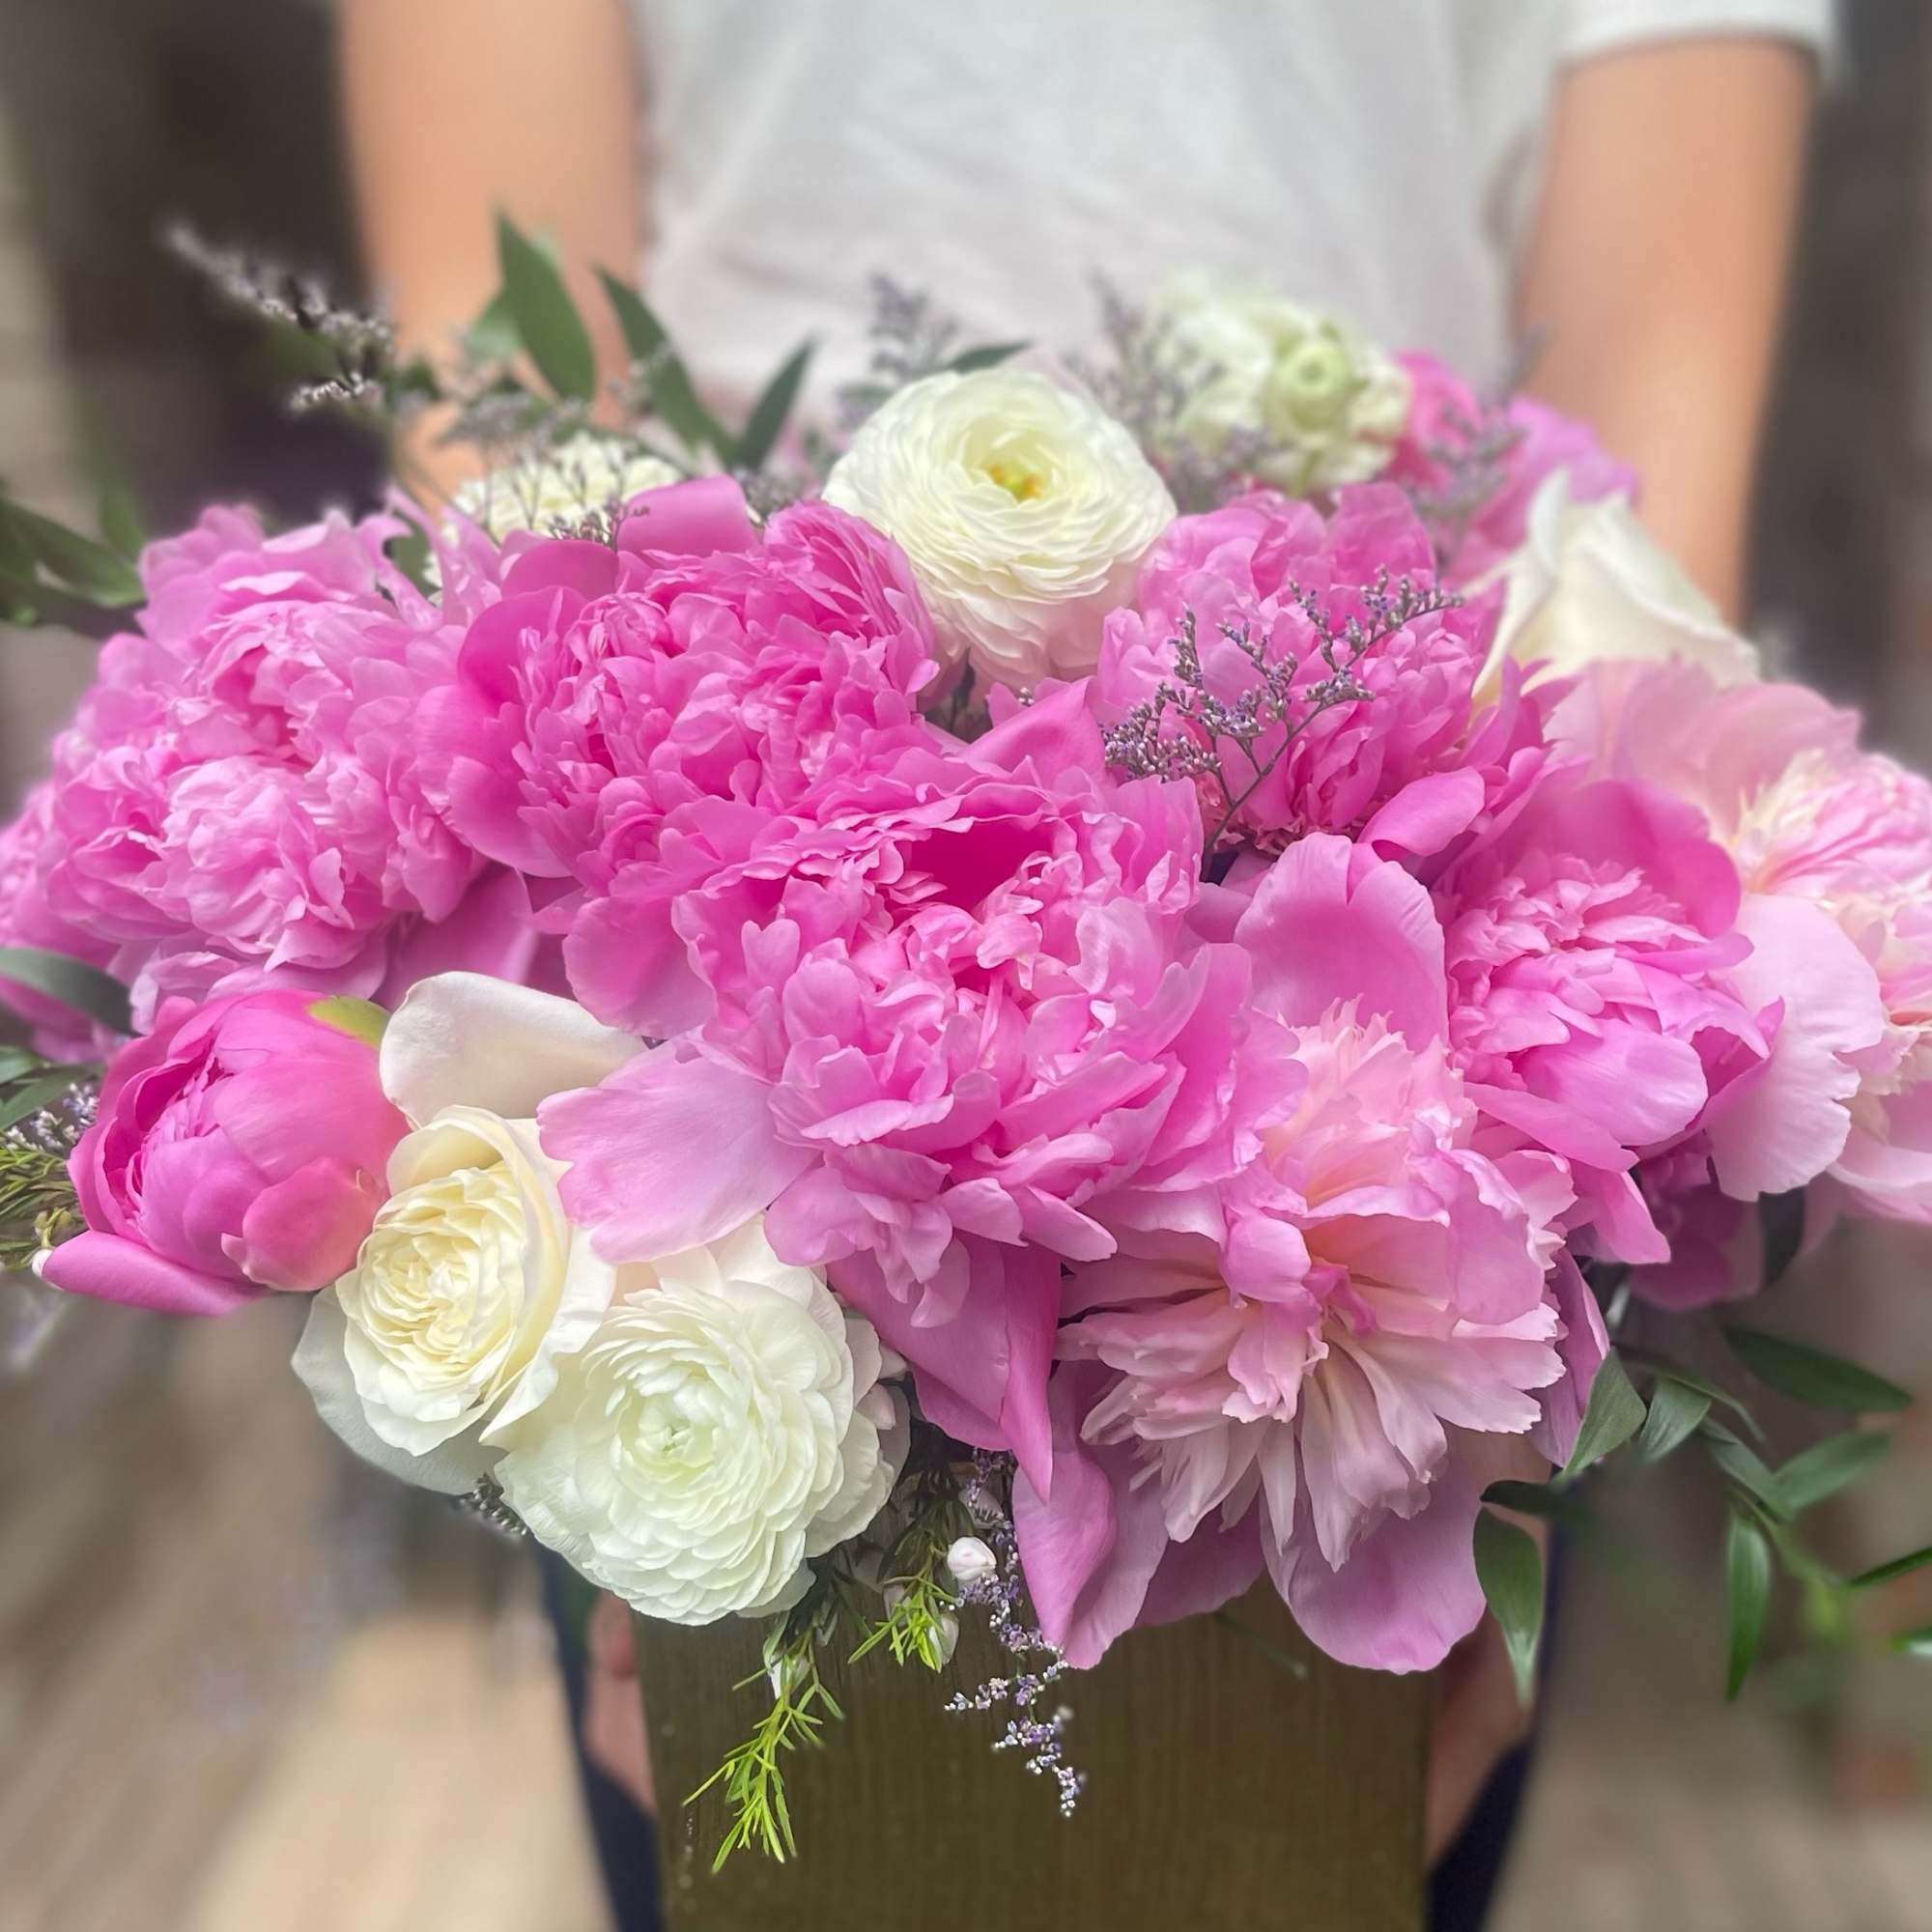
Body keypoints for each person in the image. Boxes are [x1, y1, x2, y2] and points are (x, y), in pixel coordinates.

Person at [337, 3, 1830, 1924]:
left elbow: (1641, 522)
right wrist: (615, 1408)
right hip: (688, 1030)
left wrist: (1508, 1369)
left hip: (1403, 1069)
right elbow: (498, 374)